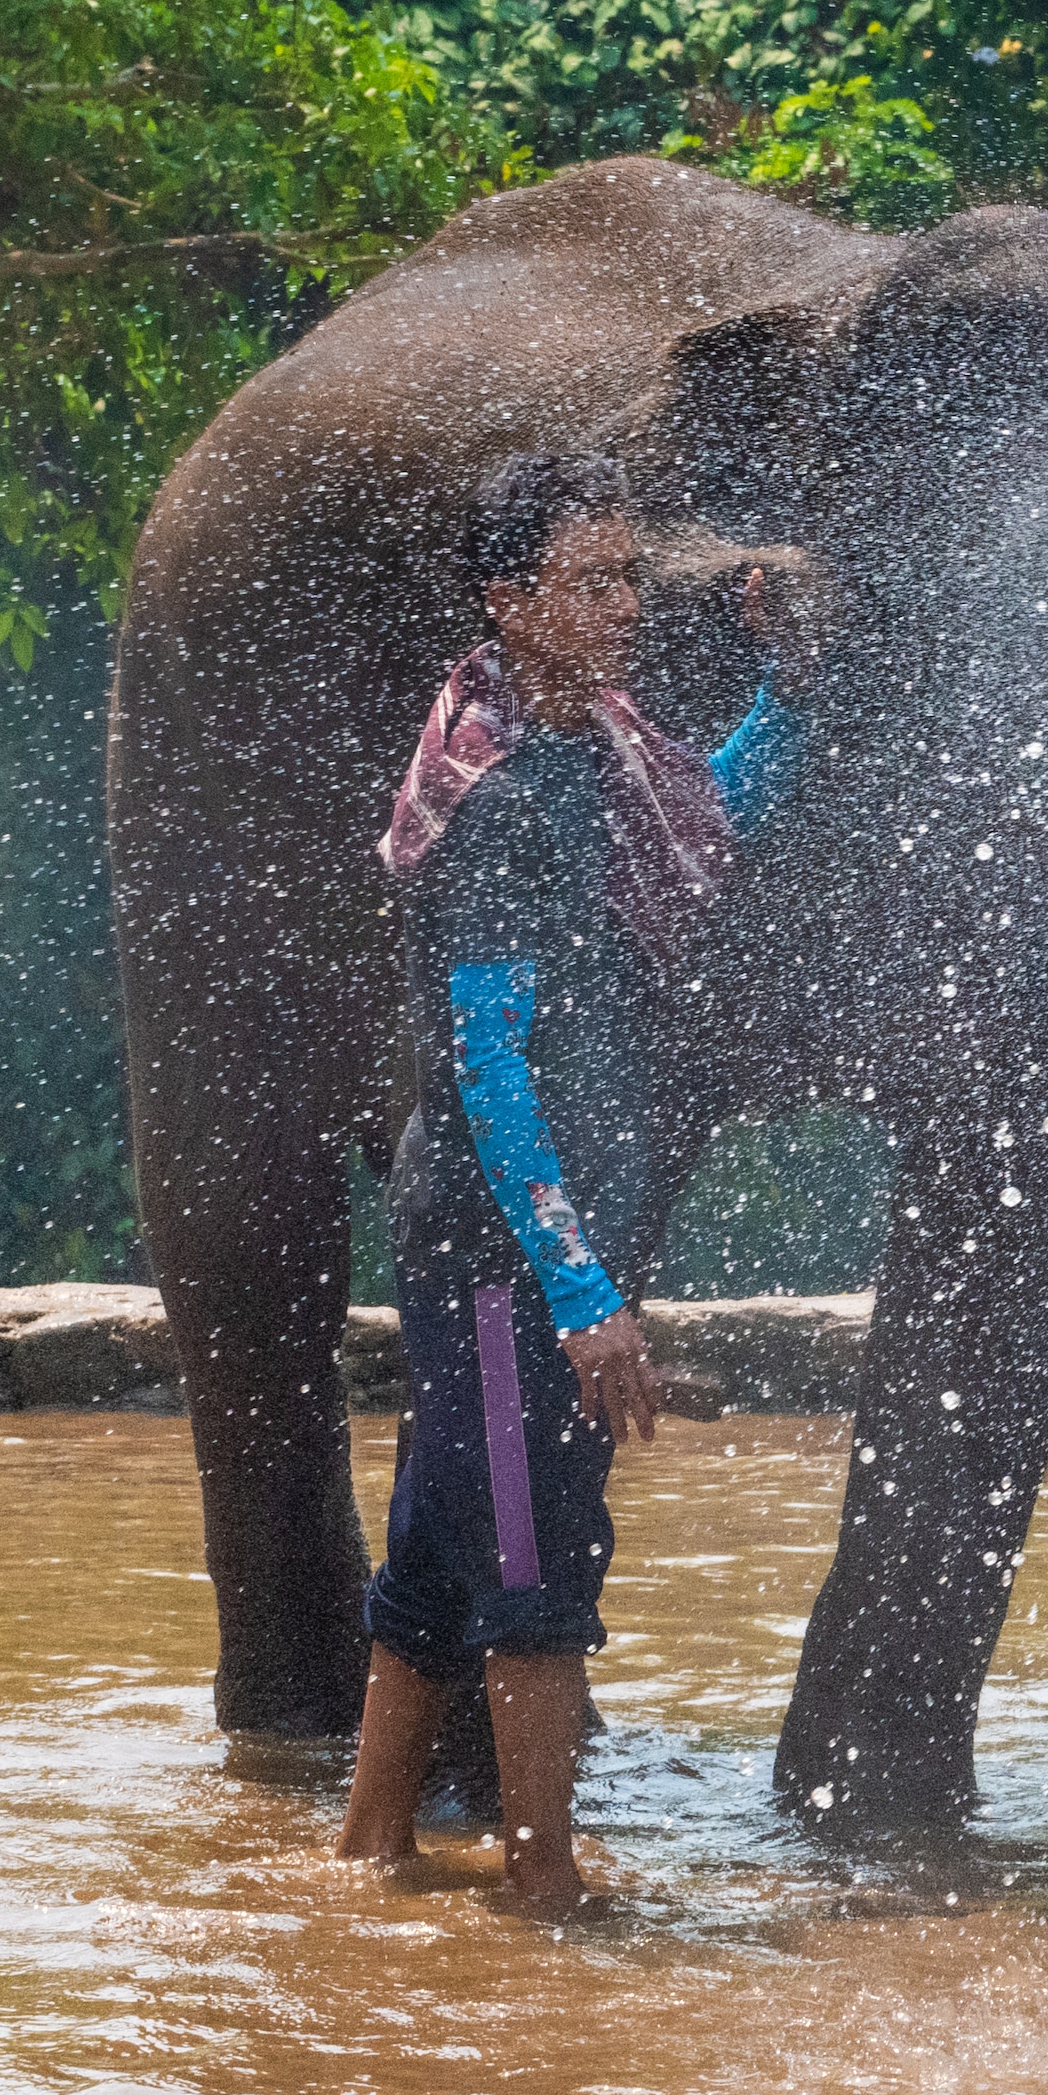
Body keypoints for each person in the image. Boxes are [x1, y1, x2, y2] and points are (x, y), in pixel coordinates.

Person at [339, 451, 805, 1917]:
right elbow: (488, 1066)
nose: (623, 603)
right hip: (500, 1255)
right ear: (508, 597)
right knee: (537, 1557)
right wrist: (581, 1290)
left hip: (530, 1249)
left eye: (627, 575)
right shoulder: (499, 801)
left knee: (435, 1557)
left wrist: (783, 696)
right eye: (590, 579)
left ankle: (365, 1861)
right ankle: (543, 1886)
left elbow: (705, 807)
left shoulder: (593, 747)